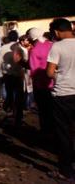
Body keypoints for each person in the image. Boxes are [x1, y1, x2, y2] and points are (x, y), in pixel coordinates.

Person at [46, 18, 75, 179]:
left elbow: (50, 72)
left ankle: (66, 171)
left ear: (56, 31)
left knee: (64, 133)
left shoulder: (57, 46)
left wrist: (59, 74)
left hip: (63, 95)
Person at [27, 28, 53, 132]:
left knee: (43, 110)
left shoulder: (34, 50)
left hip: (41, 85)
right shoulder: (52, 45)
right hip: (55, 83)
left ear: (32, 38)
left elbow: (34, 71)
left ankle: (46, 131)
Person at [0, 30, 26, 126]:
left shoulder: (2, 49)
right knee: (19, 97)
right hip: (18, 76)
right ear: (17, 38)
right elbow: (25, 62)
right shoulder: (21, 49)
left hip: (7, 76)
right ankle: (18, 117)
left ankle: (9, 114)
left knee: (9, 95)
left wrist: (2, 73)